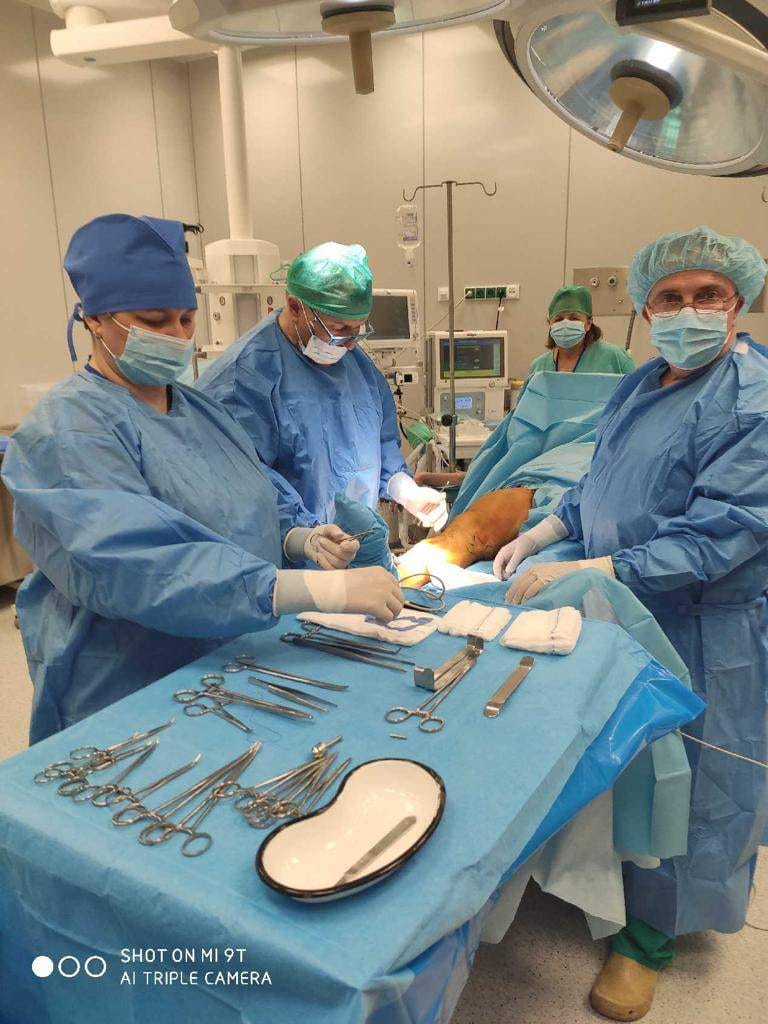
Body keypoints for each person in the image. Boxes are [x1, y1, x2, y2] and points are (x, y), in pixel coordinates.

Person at [496, 226, 768, 1019]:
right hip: (628, 613)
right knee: (623, 764)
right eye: (671, 297)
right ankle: (606, 882)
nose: (689, 310)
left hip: (703, 628)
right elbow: (601, 477)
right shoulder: (644, 382)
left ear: (739, 302)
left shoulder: (751, 399)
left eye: (708, 295)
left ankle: (651, 936)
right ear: (645, 310)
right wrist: (549, 530)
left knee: (694, 782)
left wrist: (603, 568)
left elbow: (723, 532)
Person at [2, 215, 402, 744]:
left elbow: (242, 500)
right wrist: (299, 588)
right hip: (126, 683)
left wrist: (296, 537)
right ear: (95, 320)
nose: (176, 336)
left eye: (187, 319)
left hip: (230, 657)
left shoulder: (200, 411)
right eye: (154, 320)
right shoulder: (67, 430)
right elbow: (132, 562)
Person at [196, 241, 447, 530]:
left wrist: (403, 487)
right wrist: (304, 538)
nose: (350, 344)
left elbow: (381, 442)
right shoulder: (242, 381)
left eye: (359, 328)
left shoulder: (358, 367)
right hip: (283, 548)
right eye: (339, 329)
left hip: (353, 542)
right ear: (295, 307)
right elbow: (244, 484)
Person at [524, 285, 636, 386]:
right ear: (550, 324)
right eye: (558, 319)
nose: (566, 324)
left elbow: (637, 398)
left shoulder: (616, 359)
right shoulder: (539, 367)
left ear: (588, 323)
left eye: (574, 318)